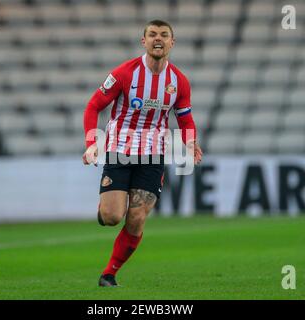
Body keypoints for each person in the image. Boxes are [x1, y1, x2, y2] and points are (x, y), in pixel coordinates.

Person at [82, 20, 203, 287]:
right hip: (119, 150)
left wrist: (190, 142)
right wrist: (92, 142)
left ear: (172, 42)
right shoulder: (125, 73)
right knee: (113, 217)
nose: (157, 39)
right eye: (152, 34)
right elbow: (94, 106)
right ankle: (104, 212)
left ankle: (109, 273)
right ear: (144, 41)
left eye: (163, 35)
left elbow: (185, 118)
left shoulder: (178, 82)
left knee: (136, 218)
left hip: (153, 154)